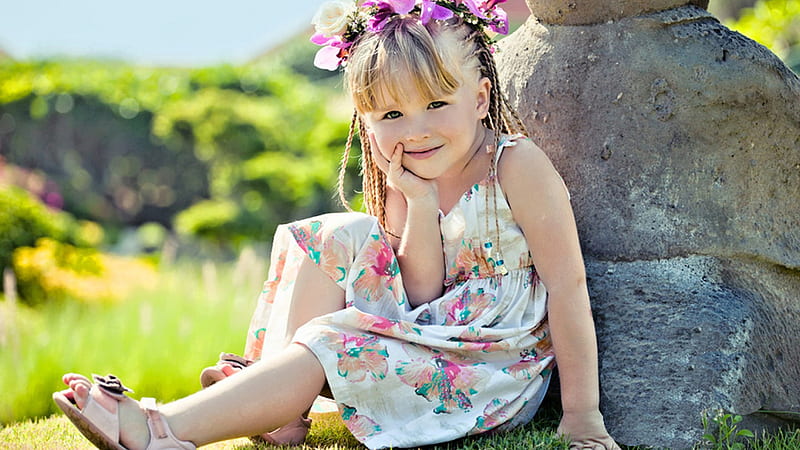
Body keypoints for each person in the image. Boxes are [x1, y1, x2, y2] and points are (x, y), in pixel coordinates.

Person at [53, 1, 620, 449]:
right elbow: (421, 292)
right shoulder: (406, 171)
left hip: (490, 364)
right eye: (392, 115)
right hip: (425, 329)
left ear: (480, 98)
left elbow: (568, 287)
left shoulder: (514, 166)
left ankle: (161, 426)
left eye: (437, 105)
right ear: (368, 121)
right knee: (334, 232)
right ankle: (283, 410)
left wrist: (582, 415)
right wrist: (418, 205)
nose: (415, 131)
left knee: (330, 341)